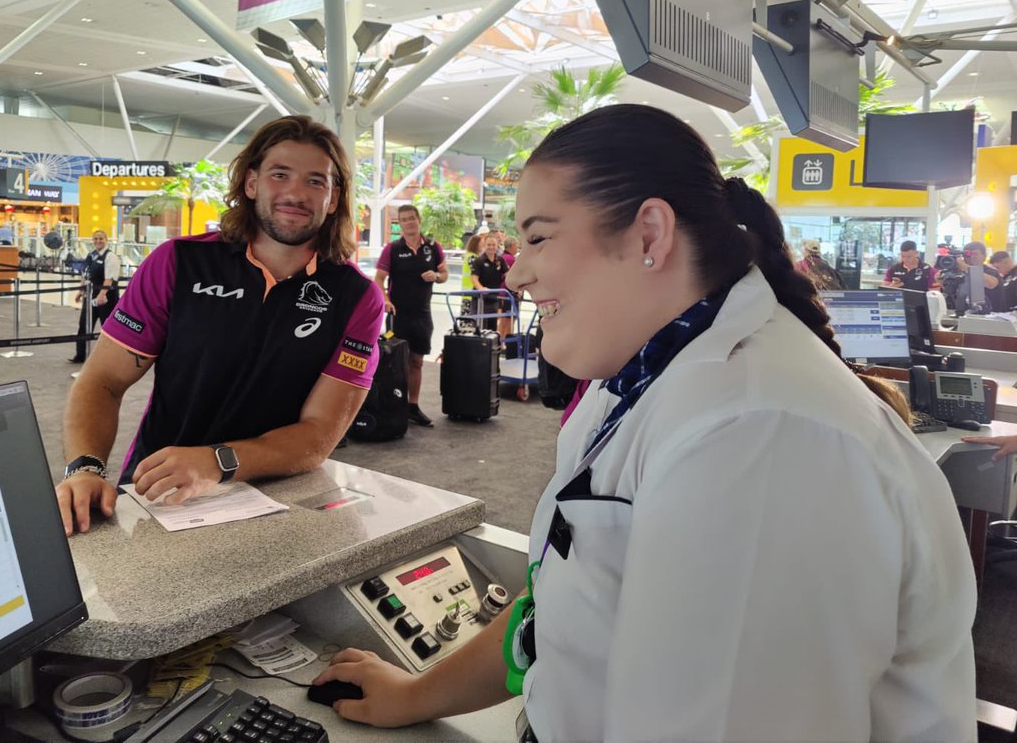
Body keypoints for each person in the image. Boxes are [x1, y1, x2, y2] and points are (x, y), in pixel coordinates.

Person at [313, 104, 975, 740]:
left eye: (539, 236)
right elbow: (562, 603)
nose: (516, 271)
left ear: (650, 235)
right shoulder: (636, 377)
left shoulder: (759, 433)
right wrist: (415, 695)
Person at [56, 115, 385, 536]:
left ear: (335, 198)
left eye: (316, 181)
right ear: (251, 183)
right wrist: (84, 468)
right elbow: (102, 381)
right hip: (162, 496)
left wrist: (216, 461)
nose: (296, 193)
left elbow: (318, 434)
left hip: (281, 503)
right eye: (279, 174)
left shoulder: (357, 298)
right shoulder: (178, 262)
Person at [374, 204, 447, 427]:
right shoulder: (392, 249)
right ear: (400, 223)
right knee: (396, 361)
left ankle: (412, 407)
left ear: (418, 220)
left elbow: (444, 274)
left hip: (423, 315)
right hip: (398, 315)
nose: (408, 222)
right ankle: (395, 405)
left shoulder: (433, 247)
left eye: (411, 218)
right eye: (403, 219)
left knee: (417, 361)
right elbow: (378, 279)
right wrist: (385, 300)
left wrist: (435, 275)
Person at [68, 230, 122, 364]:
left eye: (101, 239)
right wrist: (81, 291)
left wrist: (101, 295)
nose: (98, 241)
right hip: (90, 295)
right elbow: (85, 275)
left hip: (106, 297)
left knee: (108, 328)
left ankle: (110, 359)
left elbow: (109, 279)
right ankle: (80, 356)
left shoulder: (111, 257)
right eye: (96, 239)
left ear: (106, 240)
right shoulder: (91, 256)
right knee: (84, 325)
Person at [470, 233, 509, 334]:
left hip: (494, 299)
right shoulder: (478, 261)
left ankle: (491, 348)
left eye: (493, 245)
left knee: (492, 330)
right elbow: (474, 279)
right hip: (480, 300)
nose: (491, 247)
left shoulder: (500, 260)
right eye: (488, 245)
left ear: (497, 246)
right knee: (480, 329)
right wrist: (481, 289)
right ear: (484, 246)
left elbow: (508, 275)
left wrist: (517, 288)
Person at [961, 241, 1003, 311]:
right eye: (968, 254)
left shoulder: (991, 272)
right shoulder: (961, 272)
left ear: (984, 256)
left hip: (990, 315)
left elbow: (991, 284)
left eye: (975, 254)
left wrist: (965, 267)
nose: (971, 257)